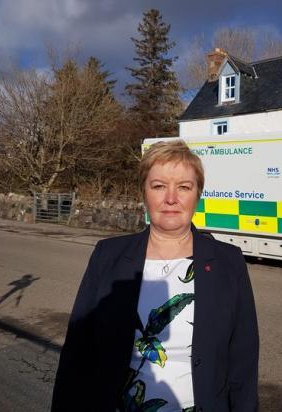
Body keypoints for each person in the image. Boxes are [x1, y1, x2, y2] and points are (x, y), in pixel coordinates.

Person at [51, 139, 259, 412]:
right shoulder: (108, 255)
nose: (171, 198)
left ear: (198, 194)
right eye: (159, 186)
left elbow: (242, 361)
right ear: (144, 192)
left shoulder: (227, 261)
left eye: (184, 187)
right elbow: (78, 352)